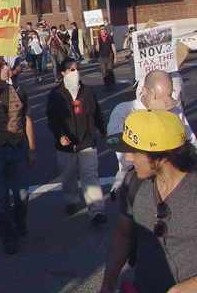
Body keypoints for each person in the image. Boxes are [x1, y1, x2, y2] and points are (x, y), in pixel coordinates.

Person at [100, 109, 197, 293]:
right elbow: (123, 236)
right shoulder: (133, 182)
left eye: (135, 152)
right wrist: (107, 286)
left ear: (162, 156)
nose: (128, 158)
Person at [107, 70, 196, 197]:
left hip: (168, 177)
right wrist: (152, 113)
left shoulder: (173, 110)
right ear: (144, 90)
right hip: (135, 177)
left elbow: (190, 140)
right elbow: (118, 145)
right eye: (158, 98)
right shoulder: (124, 110)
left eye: (168, 97)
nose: (165, 103)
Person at [0, 57, 36, 254]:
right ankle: (8, 237)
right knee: (1, 198)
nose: (5, 68)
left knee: (22, 194)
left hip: (18, 148)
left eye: (5, 64)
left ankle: (19, 220)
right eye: (0, 66)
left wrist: (32, 148)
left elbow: (27, 118)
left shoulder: (18, 91)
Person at [46, 58, 108, 224]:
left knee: (90, 175)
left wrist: (103, 131)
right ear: (63, 73)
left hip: (87, 141)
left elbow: (97, 114)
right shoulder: (56, 94)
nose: (75, 72)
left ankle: (96, 211)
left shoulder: (88, 91)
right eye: (71, 70)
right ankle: (71, 200)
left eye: (77, 68)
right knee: (69, 175)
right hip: (66, 145)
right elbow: (52, 119)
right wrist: (59, 135)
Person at [95, 25, 118, 90]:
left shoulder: (110, 37)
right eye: (102, 29)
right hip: (102, 57)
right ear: (100, 31)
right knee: (104, 72)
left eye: (104, 29)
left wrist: (115, 56)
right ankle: (107, 85)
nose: (103, 30)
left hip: (109, 56)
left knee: (110, 70)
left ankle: (112, 83)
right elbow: (97, 50)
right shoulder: (98, 39)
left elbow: (113, 46)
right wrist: (97, 47)